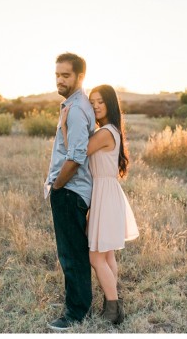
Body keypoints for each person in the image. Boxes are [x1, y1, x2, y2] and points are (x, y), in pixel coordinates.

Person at [61, 84, 139, 325]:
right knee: (107, 256)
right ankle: (112, 303)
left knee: (96, 258)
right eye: (92, 101)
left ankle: (113, 309)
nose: (95, 106)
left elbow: (76, 152)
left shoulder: (104, 132)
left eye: (100, 102)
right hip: (108, 193)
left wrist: (64, 126)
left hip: (105, 195)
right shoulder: (112, 130)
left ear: (111, 104)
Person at [44, 52, 96, 331]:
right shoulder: (75, 105)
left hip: (70, 191)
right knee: (74, 251)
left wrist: (57, 185)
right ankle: (80, 304)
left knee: (70, 253)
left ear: (79, 77)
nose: (60, 80)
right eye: (57, 75)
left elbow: (75, 156)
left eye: (66, 75)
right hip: (72, 191)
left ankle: (76, 313)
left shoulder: (75, 109)